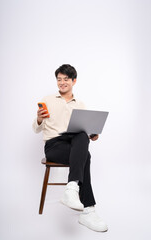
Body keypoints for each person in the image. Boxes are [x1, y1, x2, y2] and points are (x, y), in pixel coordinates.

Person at [32, 64, 108, 232]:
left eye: (66, 79)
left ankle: (71, 188)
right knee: (85, 157)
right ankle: (88, 210)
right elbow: (36, 129)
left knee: (81, 136)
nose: (62, 82)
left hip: (72, 144)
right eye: (59, 79)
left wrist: (92, 134)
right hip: (54, 145)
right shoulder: (48, 100)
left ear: (74, 81)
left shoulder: (80, 104)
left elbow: (84, 129)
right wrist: (38, 119)